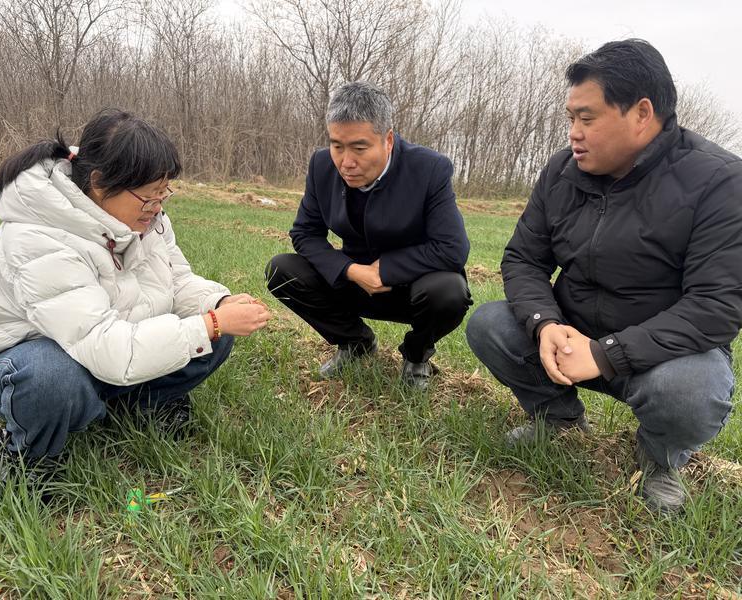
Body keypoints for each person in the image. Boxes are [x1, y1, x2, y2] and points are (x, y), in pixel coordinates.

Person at [466, 39, 741, 512]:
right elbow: (523, 259)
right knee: (490, 324)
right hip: (571, 336)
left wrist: (606, 354)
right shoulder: (562, 171)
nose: (573, 133)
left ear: (641, 114)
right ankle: (557, 417)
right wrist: (546, 324)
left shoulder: (719, 181)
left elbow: (716, 307)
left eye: (587, 118)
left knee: (692, 390)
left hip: (660, 357)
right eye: (570, 118)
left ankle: (659, 458)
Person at [0, 109, 271, 484]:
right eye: (149, 196)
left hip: (104, 350)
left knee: (215, 335)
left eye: (164, 192)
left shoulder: (147, 220)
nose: (158, 206)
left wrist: (218, 306)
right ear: (98, 183)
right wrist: (208, 324)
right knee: (51, 378)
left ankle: (139, 406)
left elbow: (175, 281)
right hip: (25, 364)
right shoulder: (37, 239)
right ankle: (24, 455)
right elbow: (102, 344)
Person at [266, 81, 471, 390]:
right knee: (282, 270)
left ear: (387, 140)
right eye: (337, 146)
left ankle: (417, 356)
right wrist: (350, 270)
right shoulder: (321, 165)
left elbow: (452, 248)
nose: (346, 162)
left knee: (449, 291)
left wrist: (384, 270)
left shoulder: (429, 169)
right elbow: (305, 232)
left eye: (359, 148)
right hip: (351, 282)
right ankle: (356, 341)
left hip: (412, 288)